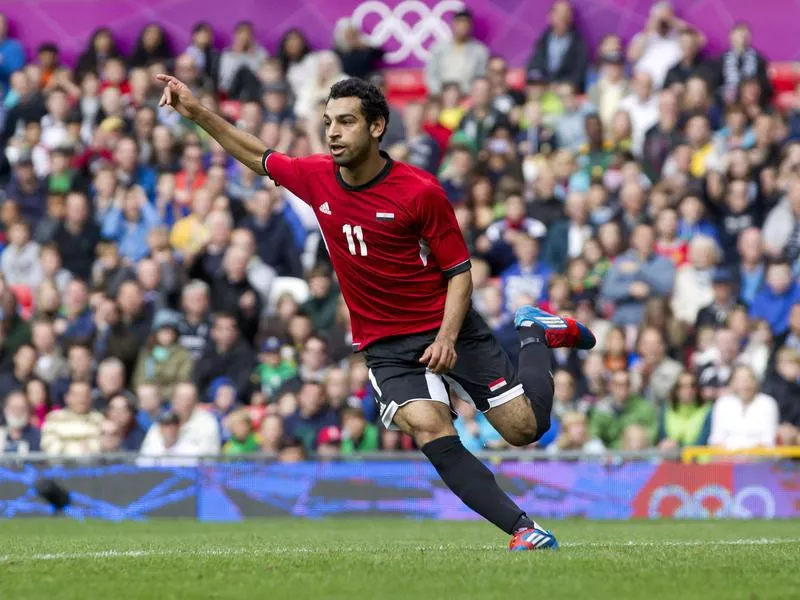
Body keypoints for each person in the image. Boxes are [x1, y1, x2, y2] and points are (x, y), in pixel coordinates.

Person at [156, 70, 596, 550]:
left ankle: (533, 331)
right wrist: (196, 111)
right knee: (430, 425)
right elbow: (256, 154)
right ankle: (522, 530)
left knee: (524, 429)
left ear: (377, 127)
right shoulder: (316, 176)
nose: (333, 133)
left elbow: (459, 271)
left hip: (447, 326)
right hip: (385, 346)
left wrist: (447, 338)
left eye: (346, 122)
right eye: (328, 122)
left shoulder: (420, 191)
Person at [709, 365, 778, 450]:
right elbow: (716, 439)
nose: (745, 384)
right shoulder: (722, 404)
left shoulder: (768, 404)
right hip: (727, 459)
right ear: (732, 383)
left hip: (759, 460)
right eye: (740, 380)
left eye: (748, 379)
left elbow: (768, 441)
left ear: (756, 382)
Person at [424, 9, 489, 95]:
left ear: (471, 26)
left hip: (468, 97)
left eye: (466, 23)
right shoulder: (438, 48)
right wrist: (439, 94)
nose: (463, 27)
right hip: (441, 96)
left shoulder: (480, 51)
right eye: (459, 23)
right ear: (453, 24)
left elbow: (480, 78)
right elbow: (431, 75)